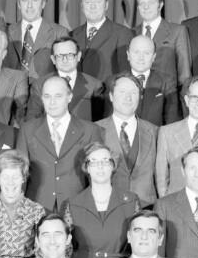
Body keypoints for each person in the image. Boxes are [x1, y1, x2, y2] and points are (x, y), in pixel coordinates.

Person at [16, 74, 103, 210]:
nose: (52, 102)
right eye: (47, 96)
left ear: (69, 97)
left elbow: (98, 174)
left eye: (58, 96)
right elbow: (19, 173)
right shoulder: (27, 130)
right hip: (37, 207)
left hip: (78, 206)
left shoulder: (90, 130)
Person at [62, 143, 139, 258]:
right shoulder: (72, 204)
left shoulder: (131, 201)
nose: (100, 166)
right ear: (87, 167)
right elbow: (64, 247)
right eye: (94, 162)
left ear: (113, 165)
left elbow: (139, 244)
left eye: (105, 161)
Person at [96, 74, 158, 206]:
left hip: (146, 208)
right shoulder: (94, 130)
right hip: (107, 206)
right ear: (111, 96)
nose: (128, 97)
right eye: (122, 92)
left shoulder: (155, 132)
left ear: (140, 97)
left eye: (133, 93)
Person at [26, 36, 106, 122]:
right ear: (53, 59)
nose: (65, 60)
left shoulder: (95, 86)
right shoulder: (39, 85)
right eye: (60, 56)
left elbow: (100, 122)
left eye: (70, 55)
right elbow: (32, 121)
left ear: (78, 56)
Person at [69, 0, 133, 83]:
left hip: (106, 91)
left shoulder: (122, 33)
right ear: (82, 6)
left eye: (97, 2)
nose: (92, 6)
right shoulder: (72, 35)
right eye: (88, 2)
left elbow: (125, 75)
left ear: (106, 5)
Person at [132, 0, 191, 87]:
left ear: (161, 5)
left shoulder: (177, 31)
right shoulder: (131, 33)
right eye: (142, 3)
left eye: (151, 2)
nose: (146, 7)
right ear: (138, 7)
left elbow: (184, 74)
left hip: (167, 94)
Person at [7, 0, 69, 78]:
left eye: (35, 0)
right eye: (24, 0)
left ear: (43, 3)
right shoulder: (6, 32)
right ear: (19, 4)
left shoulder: (59, 33)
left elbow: (66, 70)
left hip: (45, 87)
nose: (29, 5)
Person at [116, 33, 179, 126]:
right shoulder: (115, 82)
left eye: (146, 53)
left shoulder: (167, 82)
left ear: (154, 57)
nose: (141, 58)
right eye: (136, 52)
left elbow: (172, 121)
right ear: (128, 55)